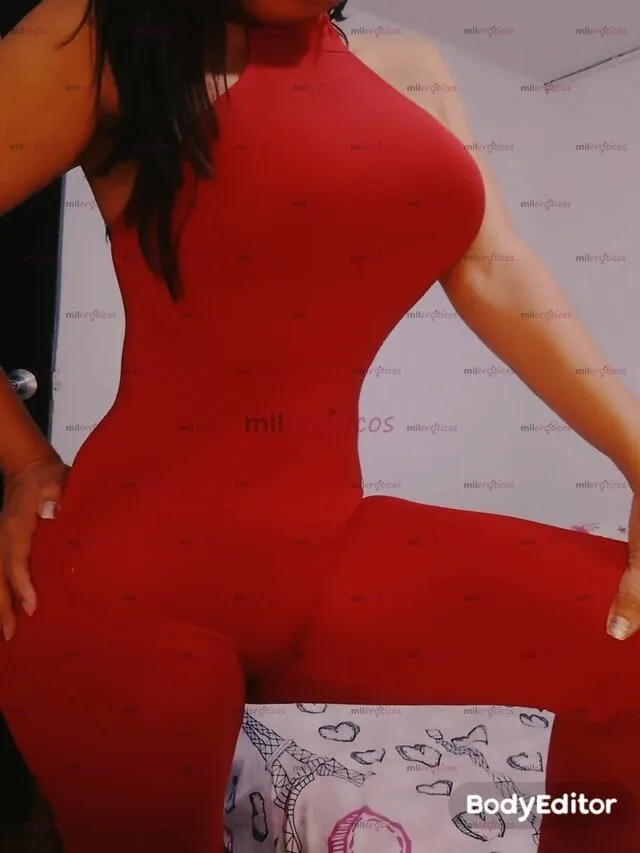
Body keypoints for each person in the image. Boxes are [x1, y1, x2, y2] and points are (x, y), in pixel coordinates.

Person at [0, 0, 639, 850]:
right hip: (127, 590)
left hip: (326, 550)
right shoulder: (99, 30)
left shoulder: (409, 67)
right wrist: (23, 460)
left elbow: (493, 267)